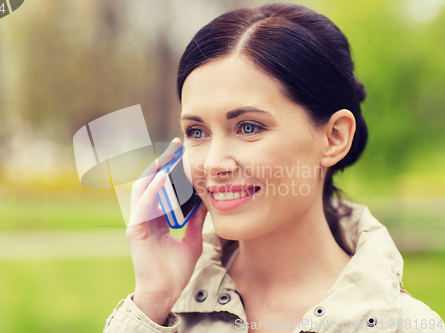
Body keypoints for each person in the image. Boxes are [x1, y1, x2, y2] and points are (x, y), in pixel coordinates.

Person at [103, 3, 444, 332]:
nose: (213, 163)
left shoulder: (407, 326)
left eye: (248, 127)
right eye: (197, 132)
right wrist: (153, 300)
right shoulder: (161, 314)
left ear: (334, 138)